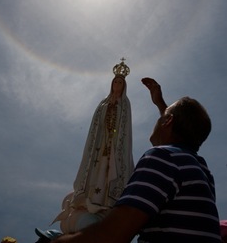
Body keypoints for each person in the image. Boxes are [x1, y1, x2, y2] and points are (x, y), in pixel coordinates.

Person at [49, 77, 221, 243]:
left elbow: (111, 236)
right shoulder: (201, 171)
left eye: (162, 117)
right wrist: (161, 105)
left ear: (167, 122)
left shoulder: (163, 158)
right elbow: (182, 127)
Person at [51, 60, 134, 234]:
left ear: (123, 86)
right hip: (99, 144)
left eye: (120, 82)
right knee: (96, 171)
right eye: (115, 82)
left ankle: (107, 202)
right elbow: (96, 124)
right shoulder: (103, 103)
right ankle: (90, 200)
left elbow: (125, 127)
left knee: (109, 171)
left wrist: (115, 140)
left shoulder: (125, 104)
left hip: (114, 145)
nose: (117, 84)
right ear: (111, 85)